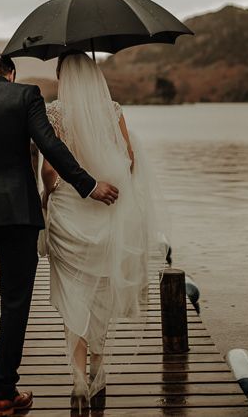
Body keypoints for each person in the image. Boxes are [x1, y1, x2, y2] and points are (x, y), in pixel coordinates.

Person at [0, 52, 119, 416]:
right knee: (14, 300)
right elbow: (51, 146)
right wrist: (88, 185)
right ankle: (4, 391)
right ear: (11, 73)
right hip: (19, 211)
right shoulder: (25, 96)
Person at [39, 51, 168, 411]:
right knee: (99, 290)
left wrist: (48, 194)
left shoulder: (54, 113)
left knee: (73, 294)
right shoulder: (113, 111)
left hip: (68, 215)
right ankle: (98, 366)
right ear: (94, 74)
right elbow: (128, 158)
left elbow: (50, 170)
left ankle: (78, 378)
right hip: (105, 209)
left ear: (64, 76)